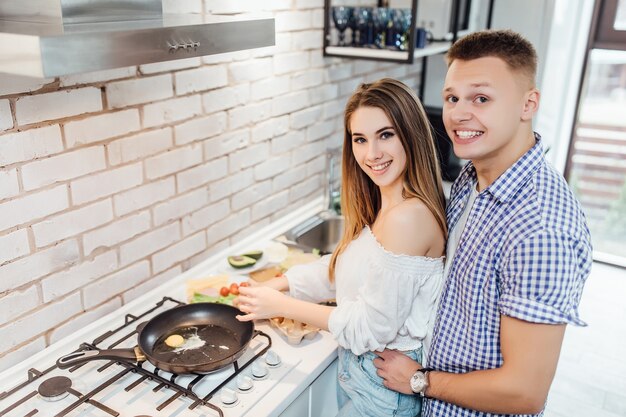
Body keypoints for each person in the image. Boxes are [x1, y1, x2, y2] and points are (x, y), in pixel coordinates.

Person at [373, 29, 593, 417]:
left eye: (481, 98)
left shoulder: (540, 229)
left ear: (528, 104)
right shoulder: (473, 177)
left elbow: (524, 391)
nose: (458, 113)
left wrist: (420, 379)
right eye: (452, 98)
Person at [236, 78, 447, 417]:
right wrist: (282, 283)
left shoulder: (408, 218)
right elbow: (345, 268)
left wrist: (282, 304)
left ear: (411, 134)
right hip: (362, 377)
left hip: (382, 392)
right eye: (359, 139)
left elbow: (370, 329)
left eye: (386, 135)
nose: (371, 154)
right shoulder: (386, 201)